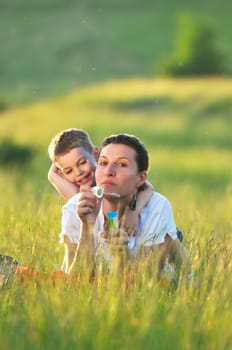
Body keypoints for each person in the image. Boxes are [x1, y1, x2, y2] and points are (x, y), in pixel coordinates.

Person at [61, 133, 191, 286]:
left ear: (141, 179)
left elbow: (145, 283)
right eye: (103, 163)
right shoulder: (75, 206)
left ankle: (172, 235)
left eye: (122, 164)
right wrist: (87, 226)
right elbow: (75, 283)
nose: (109, 171)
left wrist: (123, 255)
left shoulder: (157, 207)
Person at [48, 129, 153, 271]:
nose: (78, 173)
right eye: (68, 171)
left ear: (96, 154)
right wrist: (52, 176)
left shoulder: (108, 177)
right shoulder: (80, 195)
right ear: (61, 173)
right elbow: (74, 197)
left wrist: (133, 213)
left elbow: (147, 187)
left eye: (82, 162)